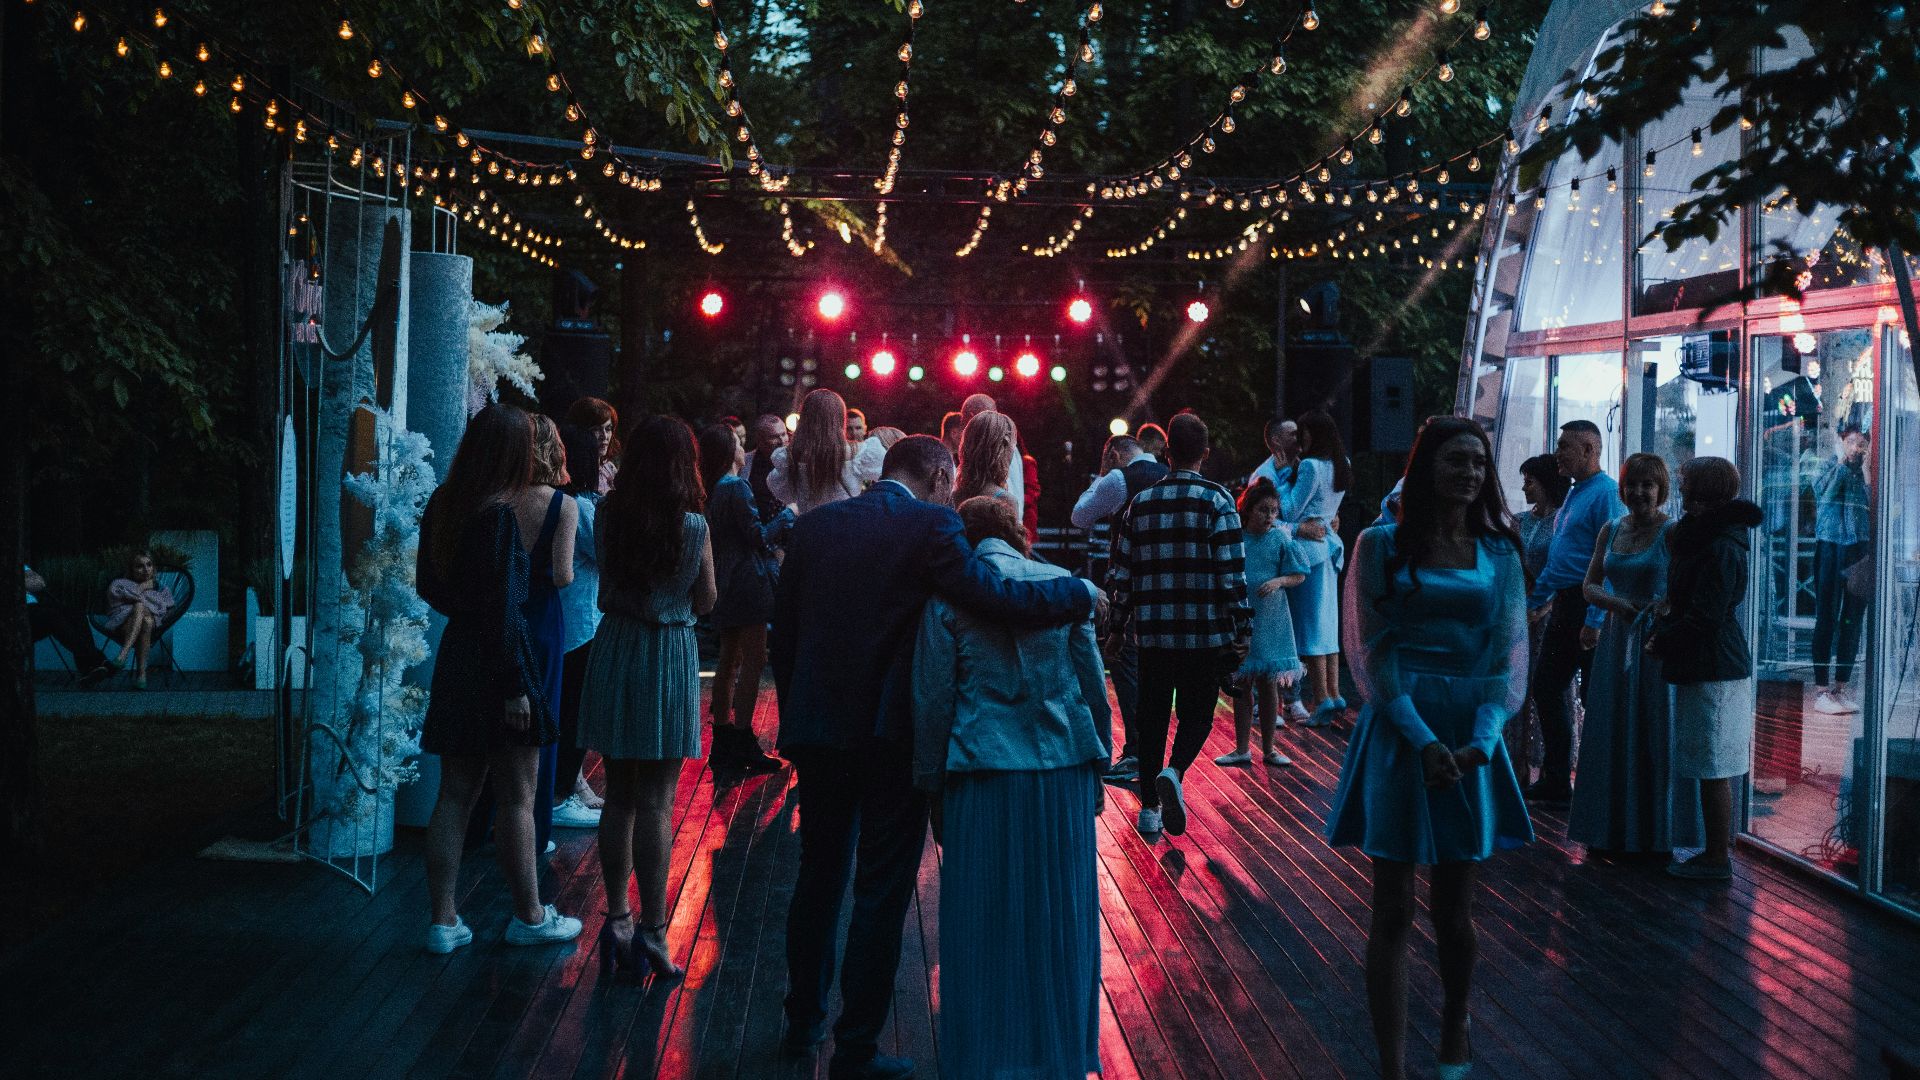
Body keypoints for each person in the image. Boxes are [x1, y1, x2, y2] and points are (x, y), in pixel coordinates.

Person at [771, 435, 1099, 1080]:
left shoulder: (815, 528)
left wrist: (796, 713)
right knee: (880, 889)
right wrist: (1078, 594)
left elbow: (787, 631)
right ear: (942, 475)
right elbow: (993, 597)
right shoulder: (931, 525)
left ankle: (801, 1021)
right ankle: (856, 1049)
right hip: (888, 737)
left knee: (817, 878)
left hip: (818, 729)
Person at [1326, 415, 1533, 1080]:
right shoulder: (1380, 544)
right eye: (1455, 461)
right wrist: (1419, 739)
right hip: (1400, 726)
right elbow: (1371, 651)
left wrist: (1481, 740)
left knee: (1454, 908)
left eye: (1478, 462)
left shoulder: (1500, 551)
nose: (1469, 473)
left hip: (1472, 732)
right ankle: (1391, 1064)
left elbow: (1506, 657)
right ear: (1426, 468)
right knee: (1392, 906)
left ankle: (1454, 1025)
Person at [912, 496, 1109, 1080]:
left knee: (984, 922)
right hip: (1061, 773)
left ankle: (987, 1056)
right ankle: (1059, 1053)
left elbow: (932, 699)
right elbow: (1092, 686)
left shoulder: (948, 600)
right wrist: (1097, 764)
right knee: (1059, 920)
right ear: (1018, 534)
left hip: (983, 774)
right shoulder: (1062, 585)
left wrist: (930, 784)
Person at [417, 404, 582, 955]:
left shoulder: (443, 504)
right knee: (518, 796)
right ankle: (530, 917)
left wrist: (462, 612)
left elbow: (428, 586)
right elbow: (505, 608)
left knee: (454, 794)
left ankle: (442, 920)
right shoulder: (495, 516)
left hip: (458, 656)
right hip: (501, 666)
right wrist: (515, 686)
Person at [577, 415, 714, 981]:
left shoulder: (609, 515)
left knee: (619, 794)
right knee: (658, 799)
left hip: (616, 647)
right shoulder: (694, 526)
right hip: (669, 652)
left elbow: (607, 577)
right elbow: (707, 600)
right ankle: (656, 933)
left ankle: (619, 920)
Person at [1107, 412, 1252, 838]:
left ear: (1166, 454)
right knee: (1198, 715)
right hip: (1204, 634)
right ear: (1205, 454)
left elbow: (1121, 573)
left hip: (1153, 633)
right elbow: (1232, 574)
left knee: (1150, 716)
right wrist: (1242, 628)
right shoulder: (1219, 501)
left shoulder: (1141, 503)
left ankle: (1149, 808)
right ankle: (1175, 770)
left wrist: (1117, 628)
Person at [1568, 454, 1703, 857]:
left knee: (1655, 730)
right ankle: (1611, 831)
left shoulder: (1673, 533)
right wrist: (1617, 605)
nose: (1639, 493)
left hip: (1654, 644)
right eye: (1632, 485)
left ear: (1661, 490)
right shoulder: (1610, 529)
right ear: (1623, 489)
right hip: (1616, 640)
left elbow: (1684, 589)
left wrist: (1660, 608)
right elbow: (1589, 585)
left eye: (1648, 485)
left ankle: (1657, 834)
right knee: (1612, 728)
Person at [1648, 456, 1761, 882]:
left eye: (1686, 482)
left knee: (1712, 761)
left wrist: (1665, 637)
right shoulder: (1718, 538)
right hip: (1712, 660)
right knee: (1711, 759)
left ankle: (1716, 856)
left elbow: (1706, 614)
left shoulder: (1717, 544)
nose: (1680, 488)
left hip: (1714, 663)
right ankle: (1714, 852)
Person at [1526, 419, 1625, 804]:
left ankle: (1592, 781)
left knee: (1589, 694)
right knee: (1549, 687)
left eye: (1565, 446)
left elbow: (1611, 563)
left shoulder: (1605, 494)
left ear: (1589, 450)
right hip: (1569, 602)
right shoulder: (1576, 493)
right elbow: (1562, 558)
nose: (1557, 452)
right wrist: (1536, 602)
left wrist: (1596, 620)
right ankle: (1558, 779)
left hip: (1586, 606)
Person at [1070, 433, 1169, 782]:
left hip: (1129, 583)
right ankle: (1153, 752)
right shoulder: (1170, 474)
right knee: (1157, 666)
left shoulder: (1118, 478)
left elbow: (1080, 517)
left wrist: (1103, 473)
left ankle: (1137, 751)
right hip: (1169, 586)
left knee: (1126, 662)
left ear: (1113, 454)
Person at [698, 422, 789, 773]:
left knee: (727, 661)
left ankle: (722, 737)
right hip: (749, 583)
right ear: (729, 452)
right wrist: (788, 515)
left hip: (725, 581)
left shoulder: (713, 489)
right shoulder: (737, 487)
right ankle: (743, 738)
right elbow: (759, 537)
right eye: (738, 442)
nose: (743, 446)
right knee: (752, 661)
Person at [1213, 478, 1307, 768]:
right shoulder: (1237, 537)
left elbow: (1299, 573)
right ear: (1249, 510)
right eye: (1263, 510)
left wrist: (1278, 581)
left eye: (1274, 511)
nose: (1269, 516)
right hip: (1242, 616)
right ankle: (1242, 747)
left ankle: (1269, 748)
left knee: (1268, 684)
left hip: (1272, 617)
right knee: (1242, 682)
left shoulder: (1280, 538)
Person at [552, 423, 606, 830]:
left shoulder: (561, 500)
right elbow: (606, 553)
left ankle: (565, 789)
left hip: (564, 618)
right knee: (575, 712)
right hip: (581, 622)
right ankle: (560, 795)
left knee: (567, 708)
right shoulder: (582, 507)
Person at [1283, 410, 1351, 727]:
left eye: (1304, 433)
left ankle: (1321, 698)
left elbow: (1291, 509)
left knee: (1310, 626)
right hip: (1330, 546)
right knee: (1327, 622)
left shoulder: (1310, 467)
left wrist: (1283, 479)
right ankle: (1334, 693)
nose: (1300, 439)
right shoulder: (1342, 464)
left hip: (1307, 551)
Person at [1512, 454, 1571, 786]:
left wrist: (1544, 603)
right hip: (1522, 609)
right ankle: (1518, 760)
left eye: (1529, 481)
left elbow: (1565, 567)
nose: (1524, 487)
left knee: (1547, 689)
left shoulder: (1564, 520)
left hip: (1550, 612)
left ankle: (1551, 765)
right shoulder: (1520, 521)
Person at [1810, 425, 1871, 715]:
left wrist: (1867, 473)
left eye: (1861, 444)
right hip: (1831, 546)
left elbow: (1876, 508)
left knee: (1853, 619)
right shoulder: (1828, 466)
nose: (1856, 449)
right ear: (1841, 442)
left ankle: (1841, 687)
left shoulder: (1869, 472)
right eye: (1851, 442)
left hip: (1858, 549)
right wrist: (1842, 463)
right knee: (1827, 616)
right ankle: (1821, 688)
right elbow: (1826, 496)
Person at [769, 389, 886, 514]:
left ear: (805, 418)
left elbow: (785, 495)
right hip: (845, 528)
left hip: (809, 528)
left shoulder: (790, 456)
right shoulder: (860, 452)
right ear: (840, 418)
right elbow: (888, 480)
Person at [27, 565, 115, 684]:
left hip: (37, 608)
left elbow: (39, 583)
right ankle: (99, 660)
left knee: (77, 614)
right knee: (52, 616)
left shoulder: (12, 560)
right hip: (17, 615)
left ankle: (88, 669)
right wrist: (25, 580)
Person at [104, 551, 174, 689]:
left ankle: (123, 655)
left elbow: (170, 608)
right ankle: (141, 675)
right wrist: (142, 587)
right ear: (131, 569)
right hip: (124, 623)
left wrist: (153, 610)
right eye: (140, 566)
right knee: (144, 617)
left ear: (153, 567)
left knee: (141, 609)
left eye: (149, 565)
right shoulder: (120, 583)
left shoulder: (162, 589)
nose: (146, 569)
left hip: (154, 621)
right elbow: (114, 599)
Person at [954, 410, 1017, 506]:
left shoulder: (953, 496)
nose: (1013, 450)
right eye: (1013, 444)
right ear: (1002, 448)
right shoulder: (1005, 501)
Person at [565, 396, 621, 495]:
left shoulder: (610, 468)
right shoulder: (568, 471)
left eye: (608, 429)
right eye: (596, 429)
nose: (604, 436)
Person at [744, 413, 790, 525]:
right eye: (774, 437)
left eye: (784, 434)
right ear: (759, 441)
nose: (781, 441)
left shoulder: (797, 462)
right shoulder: (745, 463)